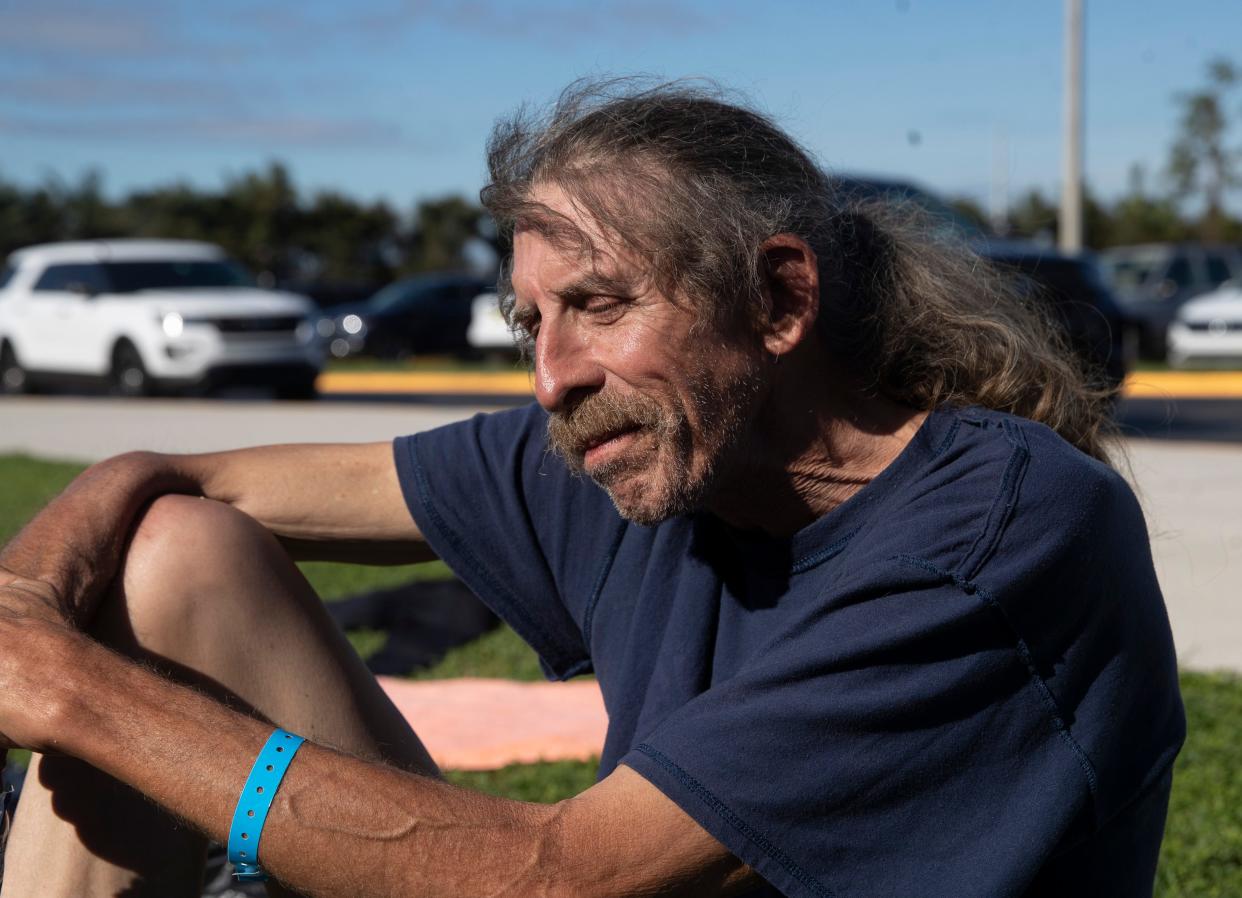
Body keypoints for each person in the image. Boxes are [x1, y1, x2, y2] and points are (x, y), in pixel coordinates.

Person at [0, 82, 1183, 898]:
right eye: (532, 320)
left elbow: (562, 877)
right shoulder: (645, 445)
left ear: (777, 301)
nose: (553, 377)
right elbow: (184, 483)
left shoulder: (996, 532)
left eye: (602, 305)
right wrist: (29, 595)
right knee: (175, 555)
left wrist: (72, 694)